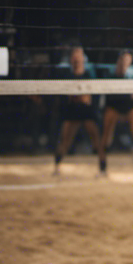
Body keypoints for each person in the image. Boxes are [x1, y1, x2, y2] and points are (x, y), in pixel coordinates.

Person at [53, 45, 106, 177]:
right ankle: (57, 166)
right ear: (71, 59)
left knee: (97, 140)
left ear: (83, 58)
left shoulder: (90, 74)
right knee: (65, 141)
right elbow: (67, 98)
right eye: (74, 56)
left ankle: (103, 169)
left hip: (88, 111)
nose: (76, 58)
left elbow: (91, 97)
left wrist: (84, 98)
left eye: (79, 55)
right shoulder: (67, 76)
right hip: (72, 111)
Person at [100, 49, 133, 168]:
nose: (125, 60)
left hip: (130, 104)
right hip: (114, 103)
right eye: (122, 58)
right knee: (106, 135)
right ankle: (102, 163)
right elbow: (108, 90)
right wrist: (121, 70)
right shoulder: (111, 70)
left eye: (127, 57)